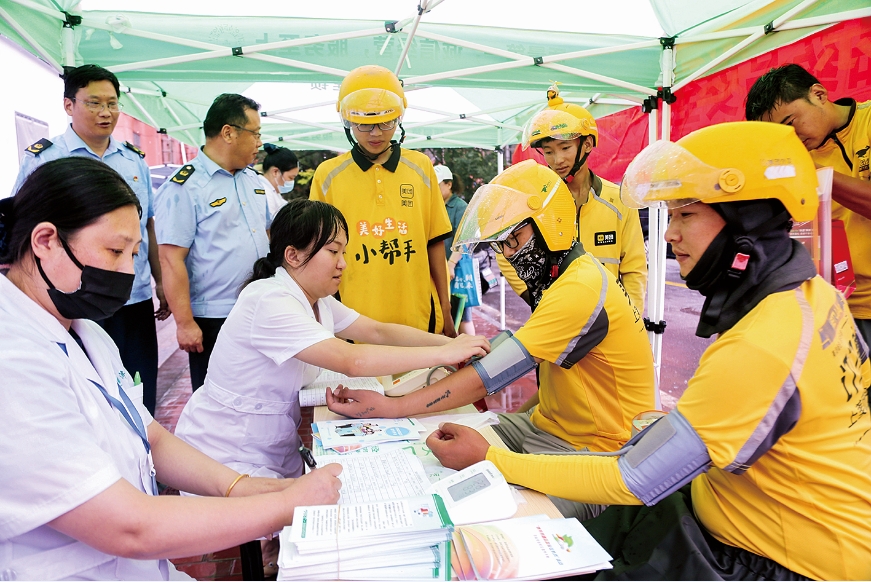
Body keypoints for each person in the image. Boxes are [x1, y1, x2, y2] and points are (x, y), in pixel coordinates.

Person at [426, 122, 871, 581]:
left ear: (746, 218)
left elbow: (634, 478)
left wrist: (491, 459)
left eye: (685, 215)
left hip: (776, 561)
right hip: (740, 514)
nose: (669, 235)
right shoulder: (814, 296)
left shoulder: (763, 344)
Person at [0, 157, 341, 581]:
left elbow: (151, 437)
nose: (128, 271)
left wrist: (239, 486)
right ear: (46, 240)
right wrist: (283, 505)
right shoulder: (12, 358)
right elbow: (130, 527)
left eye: (134, 254)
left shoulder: (85, 334)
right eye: (114, 251)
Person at [327, 160, 655, 520]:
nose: (511, 256)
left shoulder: (580, 288)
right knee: (433, 447)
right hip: (545, 428)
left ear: (551, 224)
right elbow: (552, 377)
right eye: (503, 245)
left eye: (515, 240)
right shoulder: (565, 278)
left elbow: (488, 378)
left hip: (594, 455)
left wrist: (390, 407)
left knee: (493, 525)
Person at [174, 198, 489, 482]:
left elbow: (376, 331)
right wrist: (444, 355)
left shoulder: (316, 299)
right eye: (333, 252)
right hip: (229, 446)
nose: (343, 263)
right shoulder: (269, 300)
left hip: (268, 439)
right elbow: (353, 360)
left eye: (344, 252)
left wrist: (446, 343)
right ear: (293, 255)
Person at [12, 64, 168, 415]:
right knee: (88, 397)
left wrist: (160, 283)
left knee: (140, 389)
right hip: (74, 297)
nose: (105, 112)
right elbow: (24, 229)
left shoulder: (133, 160)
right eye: (94, 103)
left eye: (112, 104)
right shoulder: (45, 158)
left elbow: (148, 228)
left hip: (133, 296)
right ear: (69, 105)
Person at [309, 65, 457, 337]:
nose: (375, 133)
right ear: (347, 122)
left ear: (399, 118)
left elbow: (434, 242)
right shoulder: (327, 176)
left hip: (418, 316)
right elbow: (318, 253)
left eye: (386, 122)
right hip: (352, 321)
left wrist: (446, 310)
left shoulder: (421, 168)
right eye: (364, 124)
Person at [746, 64, 871, 345]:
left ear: (818, 94)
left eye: (790, 124)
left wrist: (813, 172)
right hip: (837, 306)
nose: (792, 140)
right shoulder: (800, 160)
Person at [154, 93, 271, 392]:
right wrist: (184, 323)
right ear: (228, 132)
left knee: (263, 391)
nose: (259, 142)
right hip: (214, 317)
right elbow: (171, 259)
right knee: (220, 402)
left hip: (258, 308)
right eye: (255, 133)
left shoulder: (252, 180)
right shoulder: (185, 187)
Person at [500, 84, 647, 312]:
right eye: (548, 151)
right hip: (558, 321)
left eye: (565, 147)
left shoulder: (618, 199)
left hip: (610, 320)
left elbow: (634, 269)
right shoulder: (536, 202)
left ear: (587, 144)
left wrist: (631, 318)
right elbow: (504, 250)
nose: (557, 159)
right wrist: (534, 297)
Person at [435, 164, 475, 335]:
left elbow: (465, 238)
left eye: (437, 186)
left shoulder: (460, 206)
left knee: (463, 313)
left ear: (448, 184)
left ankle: (472, 354)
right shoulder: (436, 206)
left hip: (456, 267)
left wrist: (451, 264)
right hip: (441, 266)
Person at [260, 143, 300, 215]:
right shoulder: (264, 193)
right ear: (275, 172)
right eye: (290, 177)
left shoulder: (273, 192)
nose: (292, 182)